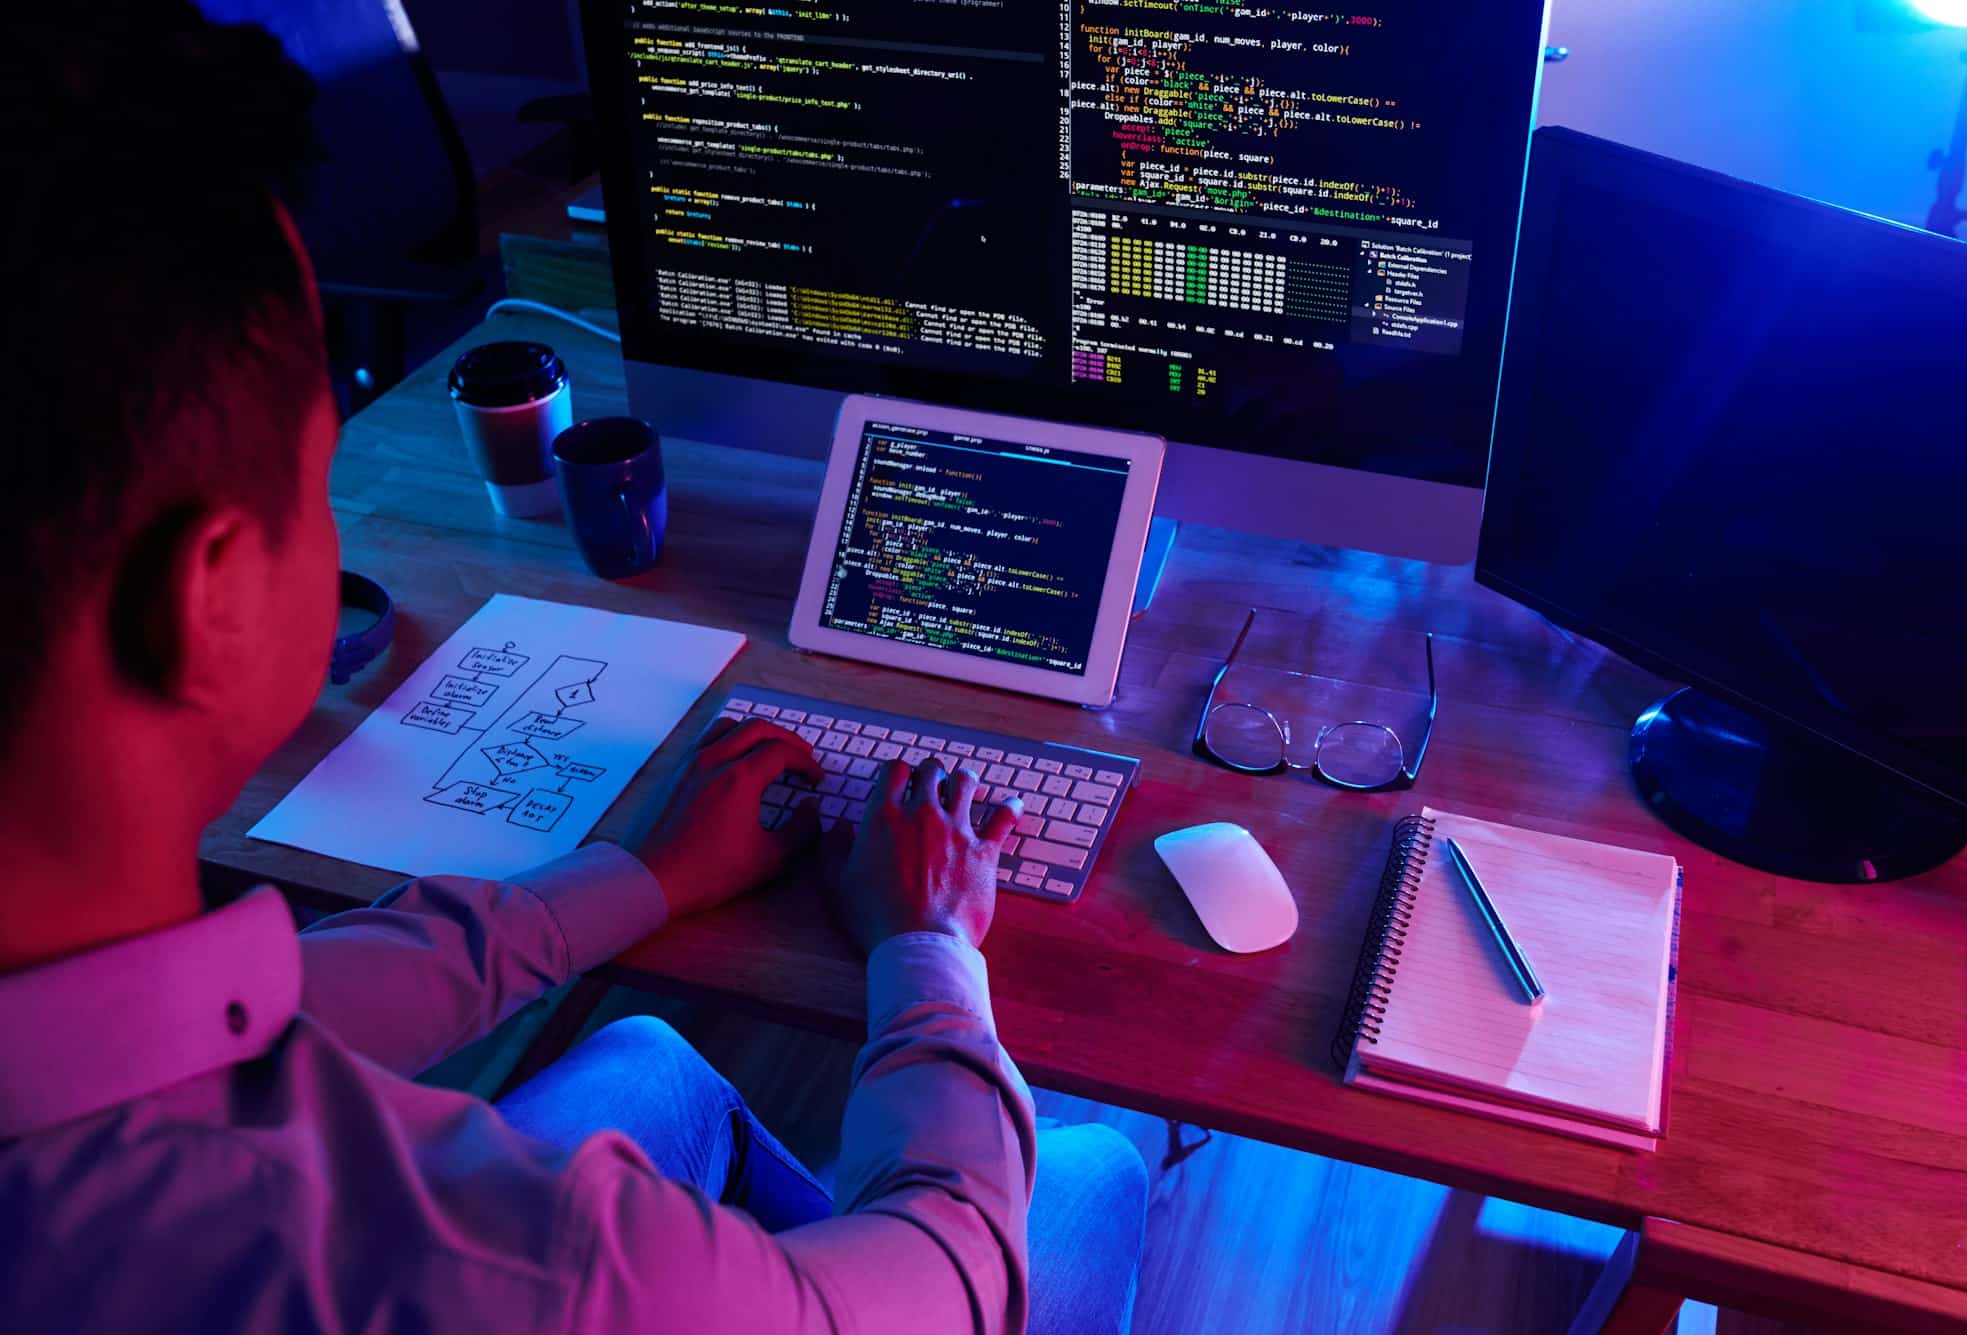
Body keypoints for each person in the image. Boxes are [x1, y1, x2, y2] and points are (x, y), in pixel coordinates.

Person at [0, 6, 1147, 1331]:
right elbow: (957, 1277)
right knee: (1091, 1176)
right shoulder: (558, 1274)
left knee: (652, 1057)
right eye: (316, 483)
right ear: (203, 602)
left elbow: (258, 1016)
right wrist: (931, 943)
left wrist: (645, 876)